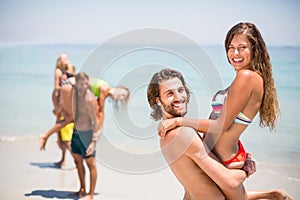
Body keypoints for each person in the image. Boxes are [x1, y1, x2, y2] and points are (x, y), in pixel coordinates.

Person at [147, 68, 293, 199]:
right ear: (158, 101)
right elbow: (230, 182)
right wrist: (245, 170)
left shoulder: (168, 132)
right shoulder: (181, 134)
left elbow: (195, 185)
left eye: (180, 90)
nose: (178, 97)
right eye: (170, 93)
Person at [39, 76, 130, 151]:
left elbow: (95, 110)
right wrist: (100, 129)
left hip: (69, 86)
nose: (120, 98)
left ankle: (49, 136)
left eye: (123, 98)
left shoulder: (105, 91)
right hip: (70, 86)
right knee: (69, 118)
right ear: (119, 88)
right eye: (122, 94)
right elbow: (101, 112)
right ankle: (45, 136)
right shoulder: (105, 89)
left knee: (70, 118)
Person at [69, 72, 101, 199]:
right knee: (77, 161)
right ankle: (82, 189)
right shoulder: (75, 93)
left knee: (91, 164)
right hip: (75, 133)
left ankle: (91, 194)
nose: (84, 86)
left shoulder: (89, 98)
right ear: (77, 84)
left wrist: (93, 142)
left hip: (87, 134)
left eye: (86, 83)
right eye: (81, 84)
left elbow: (96, 121)